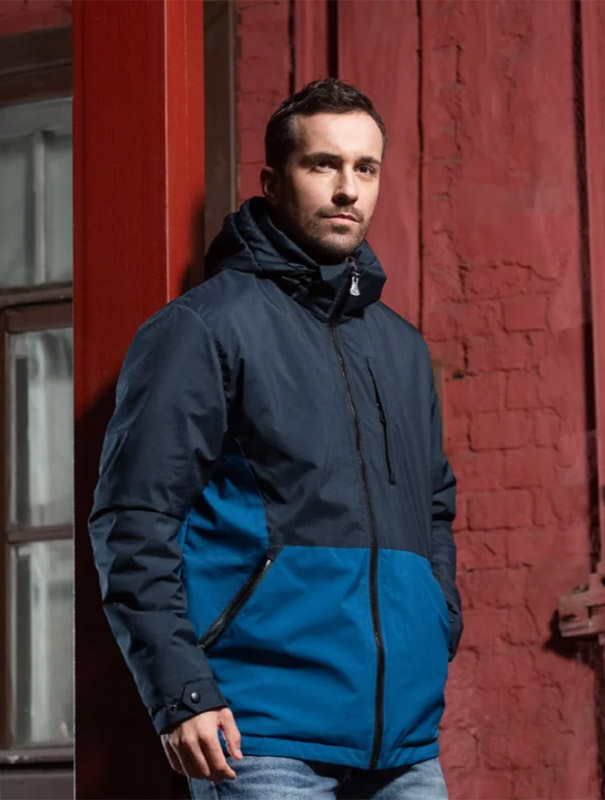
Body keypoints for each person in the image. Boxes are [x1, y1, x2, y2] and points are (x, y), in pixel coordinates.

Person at [88, 78, 462, 799]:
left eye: (365, 168)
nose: (347, 188)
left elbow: (434, 508)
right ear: (272, 179)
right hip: (260, 734)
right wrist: (181, 692)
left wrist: (436, 622)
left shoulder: (402, 349)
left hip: (405, 742)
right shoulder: (202, 329)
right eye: (323, 164)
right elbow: (134, 520)